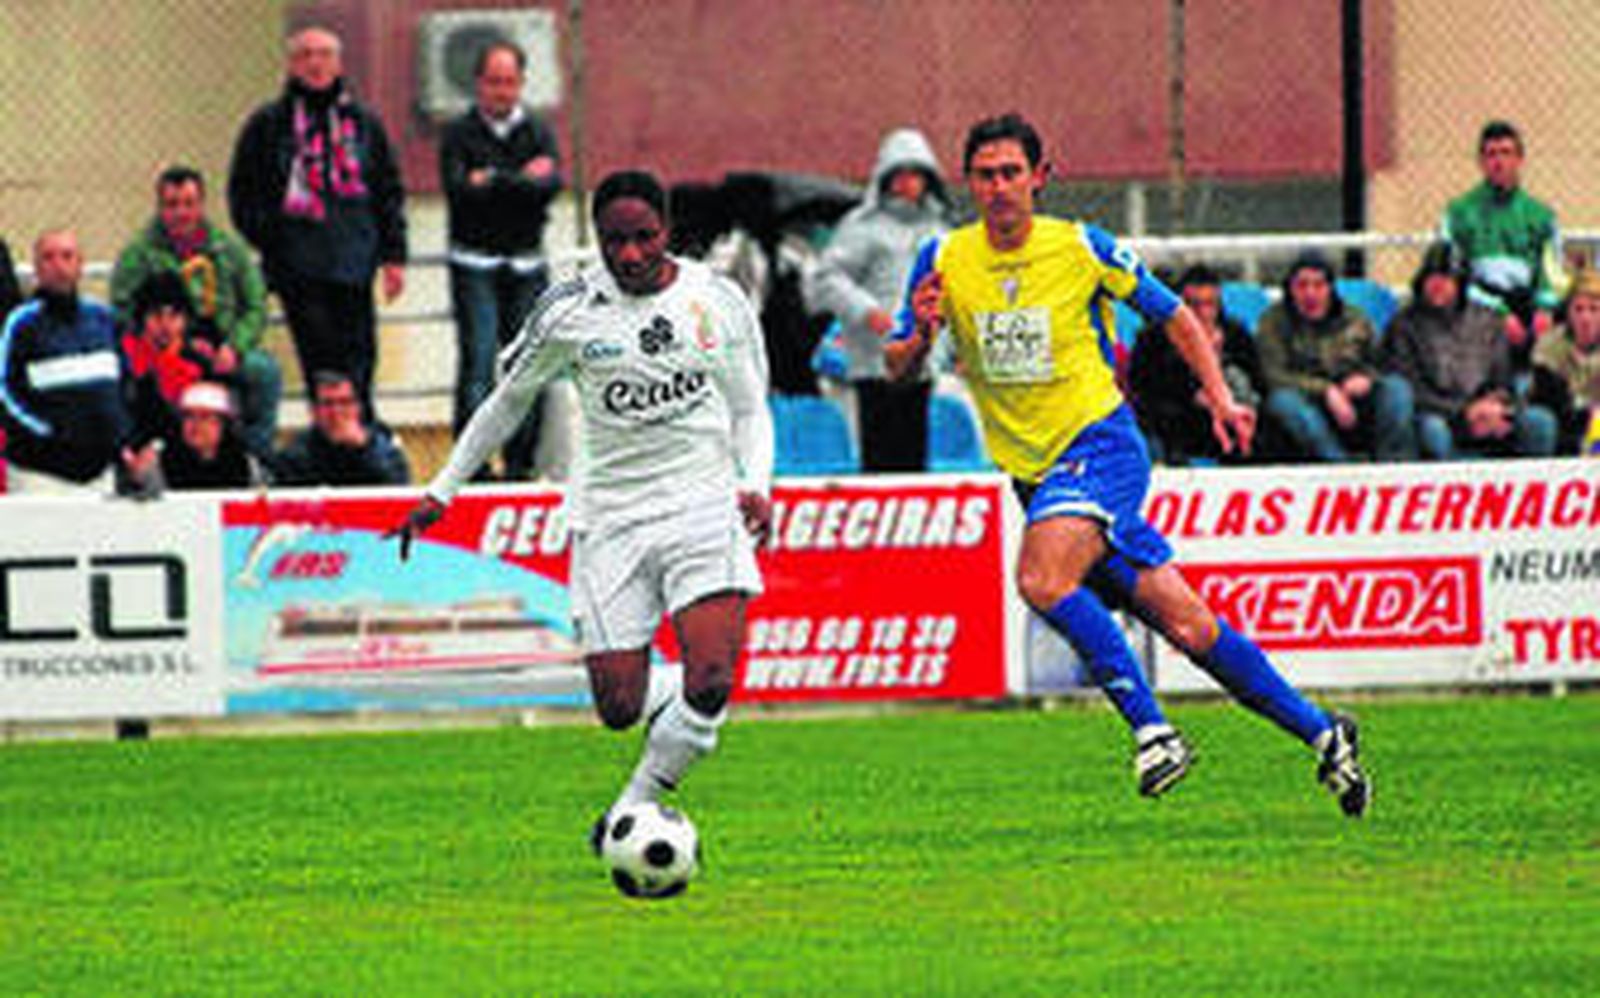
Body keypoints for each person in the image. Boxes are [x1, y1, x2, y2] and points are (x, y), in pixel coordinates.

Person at [885, 114, 1368, 816]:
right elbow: (897, 368)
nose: (998, 187)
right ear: (970, 182)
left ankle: (1153, 731)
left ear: (1039, 177)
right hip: (1037, 476)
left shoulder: (1082, 247)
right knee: (1189, 626)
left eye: (1011, 172)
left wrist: (1220, 395)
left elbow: (1174, 316)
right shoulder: (942, 259)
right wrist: (921, 331)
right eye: (985, 174)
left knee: (1042, 577)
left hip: (1100, 445)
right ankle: (1326, 736)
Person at [388, 170, 774, 853]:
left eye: (643, 238)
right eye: (614, 240)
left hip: (702, 502)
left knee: (711, 678)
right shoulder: (567, 310)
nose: (628, 254)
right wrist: (440, 491)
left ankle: (631, 808)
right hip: (612, 517)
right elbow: (507, 400)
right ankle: (669, 731)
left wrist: (757, 483)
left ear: (668, 232)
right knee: (618, 707)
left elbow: (748, 408)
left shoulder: (715, 300)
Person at [228, 25, 407, 421]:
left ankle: (361, 443)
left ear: (339, 63)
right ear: (292, 65)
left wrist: (394, 254)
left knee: (360, 362)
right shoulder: (268, 125)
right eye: (306, 55)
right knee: (320, 365)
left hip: (354, 262)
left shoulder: (362, 124)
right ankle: (328, 448)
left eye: (324, 54)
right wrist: (273, 238)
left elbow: (387, 190)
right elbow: (243, 193)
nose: (315, 64)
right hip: (298, 267)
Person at [440, 40, 564, 480]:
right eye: (494, 81)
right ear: (478, 84)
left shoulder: (538, 130)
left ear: (521, 84)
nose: (502, 91)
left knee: (528, 365)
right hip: (474, 264)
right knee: (477, 364)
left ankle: (519, 465)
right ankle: (471, 468)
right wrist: (518, 181)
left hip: (527, 264)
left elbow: (550, 187)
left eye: (510, 81)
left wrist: (491, 179)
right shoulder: (458, 133)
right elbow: (459, 191)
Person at [804, 127, 951, 471]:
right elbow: (828, 276)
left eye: (915, 175)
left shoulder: (938, 230)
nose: (907, 183)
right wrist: (866, 310)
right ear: (884, 178)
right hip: (874, 362)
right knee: (880, 459)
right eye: (898, 175)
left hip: (923, 361)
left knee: (915, 461)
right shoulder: (861, 227)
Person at [111, 165, 282, 456]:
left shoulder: (229, 249)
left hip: (223, 346)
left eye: (189, 204)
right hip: (166, 347)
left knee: (264, 371)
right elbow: (121, 309)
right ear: (160, 207)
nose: (181, 213)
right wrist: (169, 340)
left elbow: (255, 305)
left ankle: (257, 459)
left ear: (201, 205)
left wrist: (235, 347)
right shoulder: (138, 254)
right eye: (172, 204)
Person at [1383, 243, 1556, 460]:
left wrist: (1495, 406)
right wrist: (1463, 413)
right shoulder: (1404, 325)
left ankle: (1530, 489)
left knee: (1538, 422)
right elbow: (1410, 388)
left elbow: (1503, 378)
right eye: (1432, 277)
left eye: (1447, 278)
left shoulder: (1488, 321)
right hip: (1439, 416)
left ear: (1461, 283)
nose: (1438, 284)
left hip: (1486, 412)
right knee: (1433, 431)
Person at [0, 229, 130, 495]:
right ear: (36, 267)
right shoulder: (19, 324)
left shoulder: (104, 318)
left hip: (100, 475)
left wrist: (122, 438)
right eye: (48, 258)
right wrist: (50, 432)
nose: (59, 266)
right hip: (39, 474)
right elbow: (5, 391)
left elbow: (127, 383)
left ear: (80, 263)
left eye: (67, 256)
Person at [1257, 252, 1416, 462]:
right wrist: (1326, 390)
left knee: (1397, 389)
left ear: (1331, 288)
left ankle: (1391, 469)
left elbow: (1383, 362)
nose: (1310, 293)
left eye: (1318, 285)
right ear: (1290, 289)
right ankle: (1338, 468)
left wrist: (1366, 378)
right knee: (1283, 402)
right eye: (1302, 285)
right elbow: (1273, 375)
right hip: (1307, 405)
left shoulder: (1355, 318)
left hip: (1355, 402)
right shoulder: (1272, 322)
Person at [1441, 120, 1565, 367]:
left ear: (1520, 159)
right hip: (1478, 305)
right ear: (1481, 163)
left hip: (1527, 302)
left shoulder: (1541, 215)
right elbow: (1451, 275)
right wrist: (1499, 314)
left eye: (1506, 153)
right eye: (1491, 154)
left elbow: (1551, 272)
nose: (1499, 162)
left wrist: (1543, 310)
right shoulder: (1458, 213)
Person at [1128, 263, 1268, 465]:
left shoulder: (1236, 336)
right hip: (1177, 420)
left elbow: (1259, 383)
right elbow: (1143, 391)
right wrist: (1192, 393)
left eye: (1210, 304)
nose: (1203, 313)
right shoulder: (1153, 339)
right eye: (1194, 305)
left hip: (1230, 415)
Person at [269, 370, 411, 486]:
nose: (336, 412)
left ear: (358, 408)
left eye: (345, 402)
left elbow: (396, 488)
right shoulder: (297, 454)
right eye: (328, 403)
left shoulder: (382, 445)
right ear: (314, 411)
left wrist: (362, 449)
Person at [122, 381, 263, 496]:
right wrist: (139, 479)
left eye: (205, 417)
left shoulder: (244, 464)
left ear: (223, 424)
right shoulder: (161, 462)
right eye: (188, 417)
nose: (196, 425)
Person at [1531, 268, 1600, 455]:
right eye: (1578, 309)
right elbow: (1548, 399)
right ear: (1568, 312)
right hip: (1564, 427)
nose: (1586, 318)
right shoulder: (1548, 346)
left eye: (1594, 309)